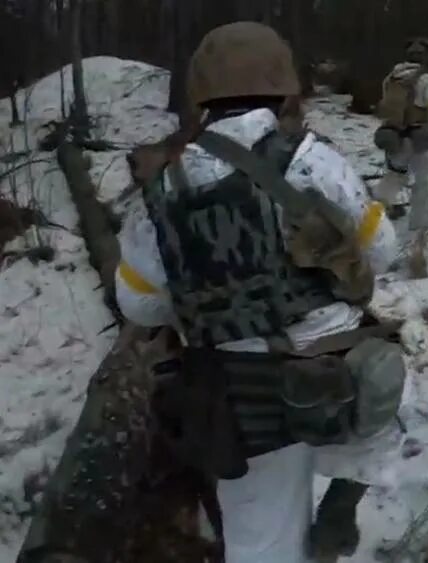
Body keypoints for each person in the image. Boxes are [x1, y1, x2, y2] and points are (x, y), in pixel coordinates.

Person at [115, 22, 403, 563]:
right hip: (333, 373)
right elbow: (382, 251)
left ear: (201, 94)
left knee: (258, 542)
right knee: (380, 383)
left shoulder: (166, 178)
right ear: (283, 86)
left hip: (238, 391)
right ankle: (344, 498)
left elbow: (137, 302)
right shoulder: (315, 159)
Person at [371, 36, 428, 278]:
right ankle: (419, 227)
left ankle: (371, 218)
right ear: (424, 57)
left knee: (393, 177)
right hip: (419, 138)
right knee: (423, 183)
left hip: (395, 136)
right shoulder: (426, 80)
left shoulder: (391, 77)